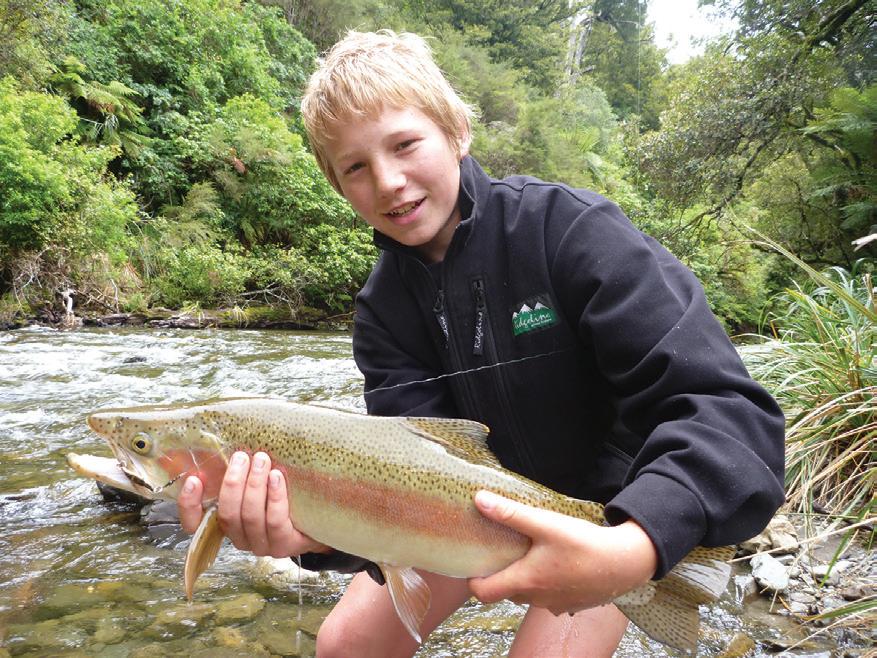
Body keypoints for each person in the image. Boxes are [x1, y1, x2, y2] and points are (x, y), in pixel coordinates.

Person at [178, 30, 785, 657]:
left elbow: (726, 409)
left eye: (405, 144)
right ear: (338, 186)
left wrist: (637, 542)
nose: (388, 181)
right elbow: (398, 476)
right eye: (355, 167)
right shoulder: (382, 311)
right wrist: (314, 535)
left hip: (606, 519)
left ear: (458, 132)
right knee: (345, 647)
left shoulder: (573, 231)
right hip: (462, 514)